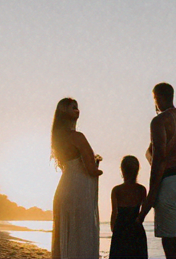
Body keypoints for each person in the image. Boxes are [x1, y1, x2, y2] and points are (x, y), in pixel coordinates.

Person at [138, 83, 176, 259]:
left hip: (170, 182)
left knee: (170, 242)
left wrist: (152, 193)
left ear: (157, 98)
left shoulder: (159, 121)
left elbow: (159, 158)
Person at [51, 98, 102, 259]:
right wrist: (97, 163)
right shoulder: (78, 137)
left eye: (77, 107)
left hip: (64, 187)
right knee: (81, 233)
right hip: (79, 189)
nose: (77, 110)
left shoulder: (57, 139)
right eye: (73, 108)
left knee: (64, 234)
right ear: (64, 112)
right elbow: (91, 170)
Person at [109, 155, 148, 259]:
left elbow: (114, 213)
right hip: (136, 227)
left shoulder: (117, 190)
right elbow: (144, 210)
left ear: (122, 170)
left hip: (121, 228)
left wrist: (114, 230)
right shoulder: (141, 190)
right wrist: (140, 220)